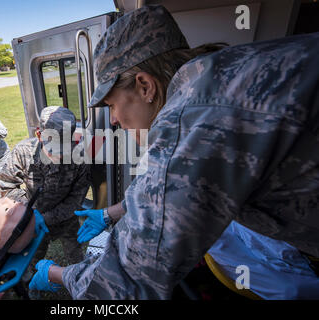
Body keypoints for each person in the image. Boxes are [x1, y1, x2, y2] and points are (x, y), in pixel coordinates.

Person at [26, 5, 319, 299]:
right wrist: (109, 212)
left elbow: (127, 282)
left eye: (113, 105)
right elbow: (168, 181)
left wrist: (56, 274)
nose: (113, 119)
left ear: (144, 86)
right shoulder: (218, 74)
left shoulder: (194, 115)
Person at [0, 106, 90, 268]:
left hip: (66, 219)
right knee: (33, 257)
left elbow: (76, 199)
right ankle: (33, 286)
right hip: (32, 221)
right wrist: (28, 211)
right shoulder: (24, 152)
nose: (61, 155)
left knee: (75, 255)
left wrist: (46, 218)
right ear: (39, 135)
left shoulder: (80, 157)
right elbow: (5, 185)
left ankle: (79, 280)